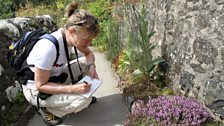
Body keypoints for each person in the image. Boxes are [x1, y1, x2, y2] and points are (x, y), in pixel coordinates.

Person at [22, 1, 100, 125]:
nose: (89, 43)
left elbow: (89, 55)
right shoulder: (48, 48)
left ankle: (66, 100)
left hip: (54, 78)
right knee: (82, 100)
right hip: (36, 90)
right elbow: (40, 85)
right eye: (86, 39)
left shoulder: (70, 39)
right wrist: (73, 89)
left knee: (86, 63)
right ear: (71, 31)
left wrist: (91, 67)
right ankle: (47, 110)